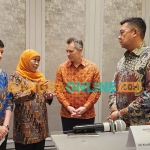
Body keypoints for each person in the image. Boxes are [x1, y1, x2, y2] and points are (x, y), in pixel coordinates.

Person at [107, 17, 150, 127]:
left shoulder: (148, 57)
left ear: (135, 32)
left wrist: (121, 113)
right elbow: (113, 87)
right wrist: (113, 108)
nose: (119, 37)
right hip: (120, 125)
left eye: (122, 33)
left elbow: (148, 96)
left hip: (142, 128)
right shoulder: (122, 61)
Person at [8, 49, 55, 150]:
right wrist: (33, 89)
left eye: (38, 60)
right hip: (25, 128)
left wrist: (48, 97)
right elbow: (16, 98)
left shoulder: (40, 76)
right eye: (34, 60)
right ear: (26, 60)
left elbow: (43, 95)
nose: (37, 63)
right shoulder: (15, 76)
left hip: (40, 126)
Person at [55, 37, 101, 132]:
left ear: (80, 50)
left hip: (87, 115)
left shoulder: (92, 68)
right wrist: (68, 107)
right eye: (66, 51)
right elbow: (58, 90)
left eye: (71, 51)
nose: (68, 54)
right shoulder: (61, 68)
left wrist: (85, 107)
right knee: (69, 144)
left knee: (86, 144)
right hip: (67, 115)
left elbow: (96, 90)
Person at [0, 40, 13, 150]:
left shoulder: (3, 74)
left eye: (2, 52)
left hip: (3, 130)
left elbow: (9, 101)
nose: (0, 56)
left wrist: (5, 126)